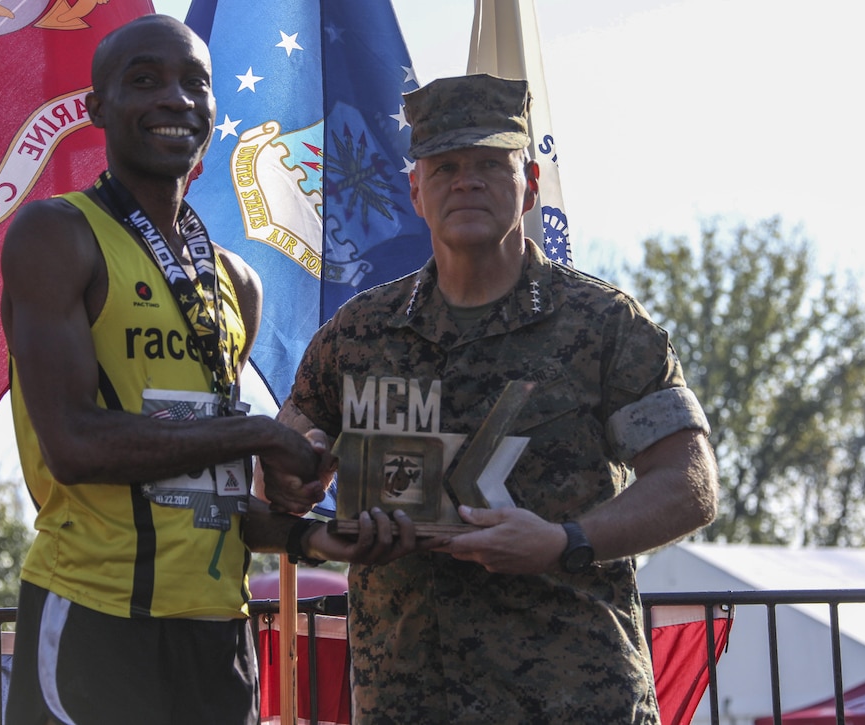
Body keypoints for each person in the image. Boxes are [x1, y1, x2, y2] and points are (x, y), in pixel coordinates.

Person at [275, 73, 720, 723]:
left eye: (490, 163)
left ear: (530, 183)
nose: (466, 181)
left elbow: (690, 483)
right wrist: (296, 470)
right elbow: (286, 460)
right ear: (415, 191)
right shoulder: (358, 334)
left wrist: (564, 540)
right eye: (446, 165)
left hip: (574, 696)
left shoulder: (604, 324)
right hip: (408, 699)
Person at [0, 14, 372, 724]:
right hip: (94, 618)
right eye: (145, 80)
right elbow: (75, 447)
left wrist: (309, 531)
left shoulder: (236, 282)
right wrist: (259, 436)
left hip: (216, 628)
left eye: (195, 84)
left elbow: (204, 492)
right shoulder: (56, 234)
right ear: (97, 107)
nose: (175, 98)